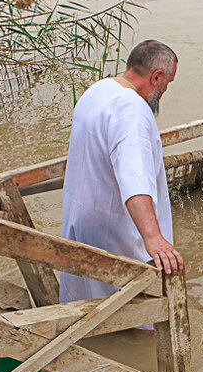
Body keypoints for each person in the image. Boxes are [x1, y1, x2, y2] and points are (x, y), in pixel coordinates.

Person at [59, 39, 183, 306]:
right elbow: (134, 179)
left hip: (82, 221)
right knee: (139, 313)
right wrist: (154, 238)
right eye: (166, 83)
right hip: (117, 231)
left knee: (90, 305)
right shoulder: (132, 111)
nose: (164, 90)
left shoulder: (98, 90)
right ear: (156, 76)